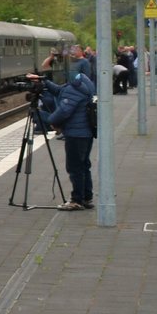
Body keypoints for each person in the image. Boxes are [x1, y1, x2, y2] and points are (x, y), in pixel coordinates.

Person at [43, 69, 97, 210]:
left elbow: (64, 110)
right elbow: (61, 91)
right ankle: (86, 197)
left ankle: (76, 200)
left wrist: (50, 120)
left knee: (75, 167)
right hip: (86, 132)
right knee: (84, 165)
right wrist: (44, 82)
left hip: (76, 134)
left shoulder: (74, 89)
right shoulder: (83, 84)